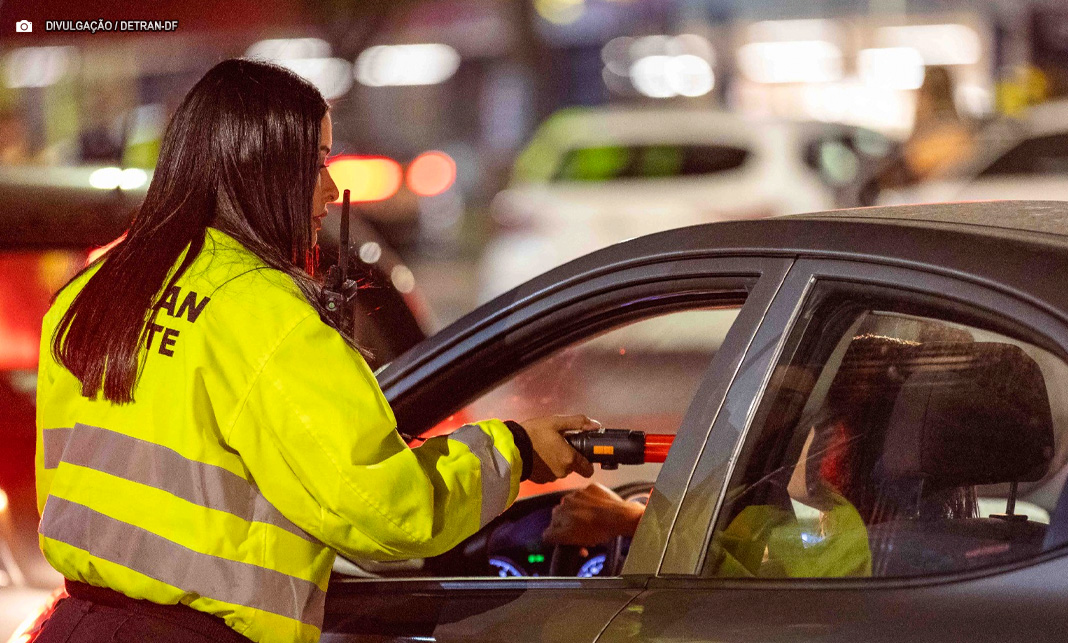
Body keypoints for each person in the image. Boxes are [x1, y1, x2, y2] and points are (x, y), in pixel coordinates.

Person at [33, 58, 597, 643]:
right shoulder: (266, 314)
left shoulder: (90, 292)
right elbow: (388, 508)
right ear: (263, 168)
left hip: (73, 625)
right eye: (318, 162)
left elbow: (63, 481)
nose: (330, 189)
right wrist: (514, 450)